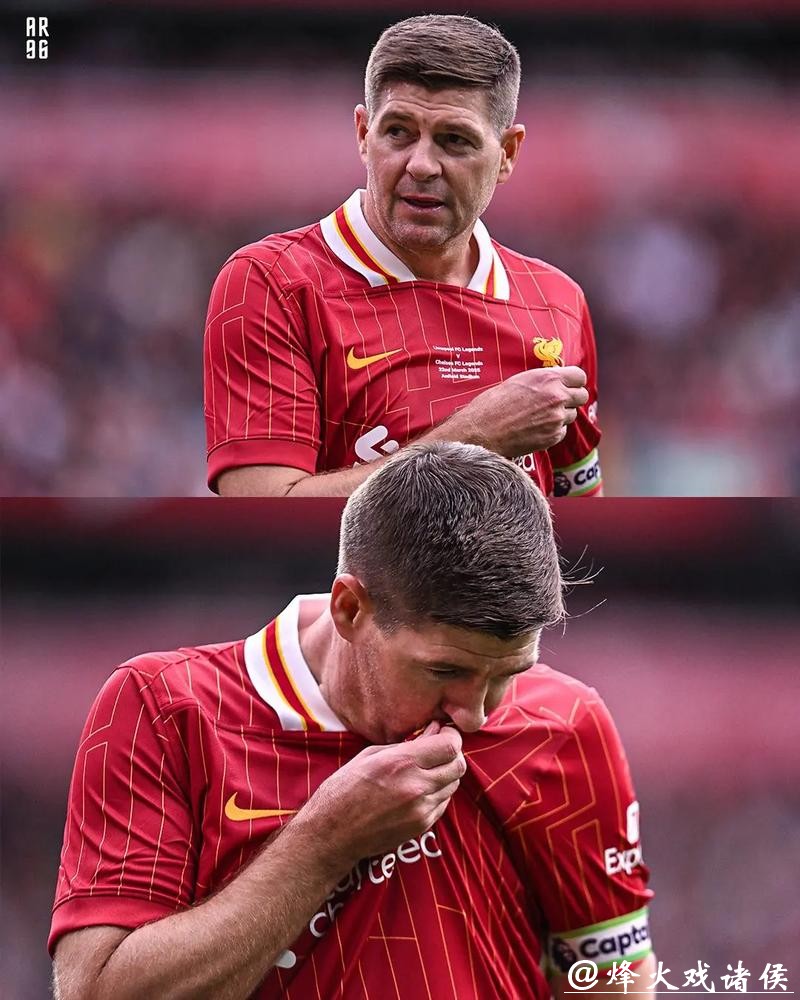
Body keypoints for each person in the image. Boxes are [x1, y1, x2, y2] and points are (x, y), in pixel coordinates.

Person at [50, 443, 653, 998]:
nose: (473, 715)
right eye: (444, 671)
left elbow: (613, 981)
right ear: (350, 608)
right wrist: (325, 842)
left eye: (508, 672)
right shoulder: (164, 708)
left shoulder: (564, 723)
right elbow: (96, 992)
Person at [204, 14, 602, 499]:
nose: (422, 164)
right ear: (362, 134)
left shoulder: (556, 301)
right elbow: (261, 512)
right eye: (398, 132)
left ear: (507, 154)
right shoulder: (272, 282)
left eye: (454, 140)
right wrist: (474, 438)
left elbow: (582, 517)